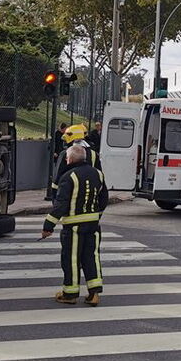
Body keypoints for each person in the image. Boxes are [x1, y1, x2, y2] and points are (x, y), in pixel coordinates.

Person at [42, 145, 108, 306]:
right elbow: (104, 199)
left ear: (70, 159)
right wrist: (96, 215)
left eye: (67, 158)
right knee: (92, 257)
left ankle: (70, 294)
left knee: (71, 259)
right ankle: (94, 294)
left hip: (73, 227)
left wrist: (48, 226)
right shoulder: (98, 174)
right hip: (93, 225)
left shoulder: (68, 176)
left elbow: (61, 204)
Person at [51, 124, 102, 193]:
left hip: (69, 190)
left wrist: (55, 194)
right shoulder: (94, 154)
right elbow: (99, 175)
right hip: (88, 190)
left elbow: (57, 177)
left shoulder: (65, 153)